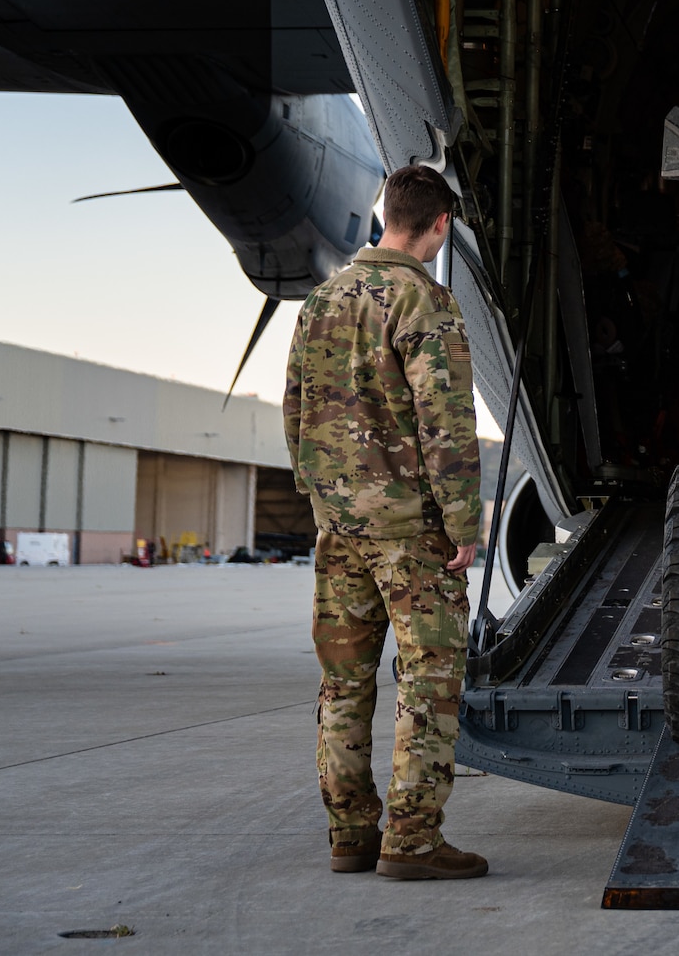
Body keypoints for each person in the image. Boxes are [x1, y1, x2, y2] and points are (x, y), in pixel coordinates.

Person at [284, 164, 489, 881]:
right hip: (411, 532)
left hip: (339, 529)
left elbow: (295, 411)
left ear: (385, 214)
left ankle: (350, 836)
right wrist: (465, 521)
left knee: (343, 684)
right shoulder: (424, 301)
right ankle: (411, 839)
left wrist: (324, 502)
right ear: (440, 225)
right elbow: (446, 421)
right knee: (429, 679)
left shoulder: (320, 300)